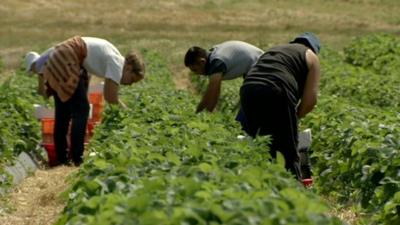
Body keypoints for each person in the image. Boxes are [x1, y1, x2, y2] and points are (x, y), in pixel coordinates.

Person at [25, 36, 145, 166]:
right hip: (67, 58)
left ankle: (61, 159)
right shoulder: (117, 63)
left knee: (64, 111)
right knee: (82, 110)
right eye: (132, 79)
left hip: (61, 56)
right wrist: (126, 111)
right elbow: (110, 97)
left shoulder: (114, 57)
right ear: (128, 67)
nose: (130, 84)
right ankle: (77, 158)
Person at [239, 32, 321, 181]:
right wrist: (294, 118)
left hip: (248, 89)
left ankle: (256, 186)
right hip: (276, 88)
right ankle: (293, 193)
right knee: (287, 150)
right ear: (314, 48)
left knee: (259, 143)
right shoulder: (311, 56)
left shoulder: (276, 49)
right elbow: (310, 101)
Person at [184, 41, 264, 114]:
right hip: (258, 66)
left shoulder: (217, 62)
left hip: (262, 67)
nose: (196, 74)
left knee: (249, 107)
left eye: (195, 70)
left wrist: (200, 116)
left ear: (202, 62)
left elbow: (213, 95)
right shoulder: (212, 57)